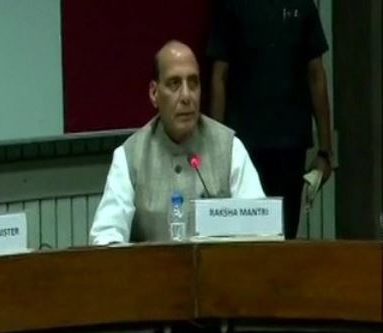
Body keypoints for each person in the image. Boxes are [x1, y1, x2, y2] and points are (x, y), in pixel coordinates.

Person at [90, 40, 264, 245]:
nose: (187, 96)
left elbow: (260, 231)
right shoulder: (129, 157)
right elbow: (105, 237)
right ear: (154, 93)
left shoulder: (230, 148)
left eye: (193, 83)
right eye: (174, 84)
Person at [208, 0, 333, 239]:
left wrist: (326, 152)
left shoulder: (302, 4)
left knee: (284, 237)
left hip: (290, 145)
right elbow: (219, 76)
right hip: (243, 148)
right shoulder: (230, 5)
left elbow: (316, 74)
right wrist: (217, 150)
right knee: (244, 240)